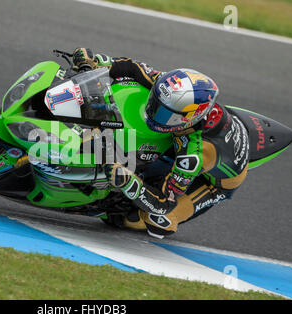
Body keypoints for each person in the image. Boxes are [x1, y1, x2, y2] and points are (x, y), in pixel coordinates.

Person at [72, 48, 250, 239]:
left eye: (164, 113)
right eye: (155, 102)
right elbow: (133, 68)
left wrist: (128, 182)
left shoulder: (194, 154)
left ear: (188, 119)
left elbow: (163, 202)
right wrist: (97, 61)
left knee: (155, 220)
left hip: (218, 181)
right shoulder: (168, 86)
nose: (153, 112)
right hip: (192, 135)